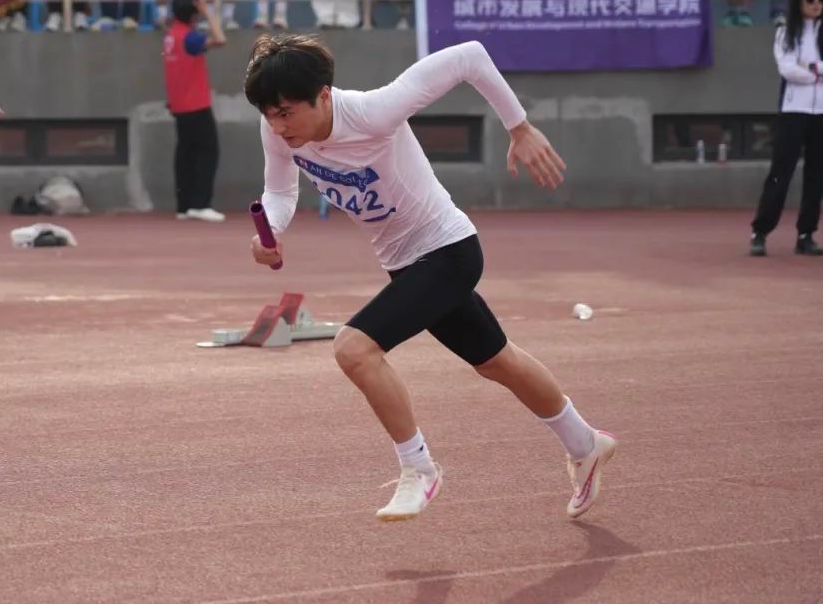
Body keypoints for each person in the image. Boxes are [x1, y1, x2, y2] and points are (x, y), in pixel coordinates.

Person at [245, 35, 617, 522]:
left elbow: (469, 56)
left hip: (448, 251)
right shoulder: (277, 130)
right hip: (404, 263)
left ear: (324, 95)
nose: (278, 125)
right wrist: (270, 231)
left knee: (354, 349)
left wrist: (519, 126)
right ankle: (586, 443)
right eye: (269, 114)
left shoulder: (375, 112)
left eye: (286, 112)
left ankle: (419, 469)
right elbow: (278, 193)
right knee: (497, 362)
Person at [750, 0, 823, 257]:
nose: (816, 3)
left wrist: (811, 66)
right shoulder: (786, 33)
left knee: (816, 175)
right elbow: (788, 69)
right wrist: (816, 75)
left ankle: (806, 234)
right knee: (781, 172)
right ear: (798, 2)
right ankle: (760, 232)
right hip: (794, 111)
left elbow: (801, 67)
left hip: (821, 113)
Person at [164, 0, 227, 222]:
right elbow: (220, 39)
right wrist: (208, 13)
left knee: (185, 154)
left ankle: (184, 205)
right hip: (196, 104)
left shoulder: (171, 35)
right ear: (194, 12)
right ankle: (200, 204)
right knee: (207, 153)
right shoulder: (189, 38)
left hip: (179, 104)